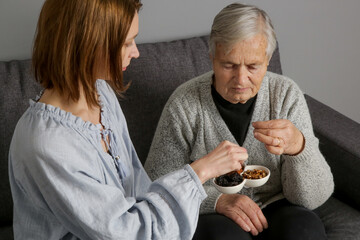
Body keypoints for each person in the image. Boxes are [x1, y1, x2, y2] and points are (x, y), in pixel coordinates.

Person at [8, 0, 249, 239]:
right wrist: (200, 171)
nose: (136, 52)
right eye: (125, 43)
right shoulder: (46, 144)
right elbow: (126, 232)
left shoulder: (101, 93)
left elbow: (138, 189)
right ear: (88, 44)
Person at [145, 3, 334, 240]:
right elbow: (156, 186)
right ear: (212, 57)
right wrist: (216, 200)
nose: (241, 79)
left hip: (280, 206)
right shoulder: (184, 105)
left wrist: (299, 148)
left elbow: (313, 198)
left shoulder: (286, 95)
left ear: (268, 59)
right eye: (229, 65)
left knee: (305, 231)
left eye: (253, 66)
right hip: (215, 214)